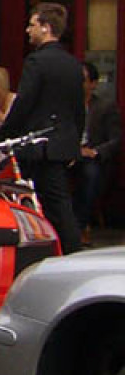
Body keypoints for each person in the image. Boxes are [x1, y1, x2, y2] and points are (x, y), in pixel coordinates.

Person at [0, 2, 85, 255]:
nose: (27, 30)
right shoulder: (72, 63)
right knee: (56, 201)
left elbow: (24, 103)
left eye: (32, 24)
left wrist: (3, 137)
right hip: (62, 143)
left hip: (39, 146)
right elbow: (78, 109)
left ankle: (68, 251)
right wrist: (74, 142)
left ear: (46, 28)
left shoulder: (36, 62)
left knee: (49, 204)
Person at [72, 61, 121, 245]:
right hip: (69, 153)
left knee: (90, 174)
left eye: (82, 80)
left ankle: (80, 226)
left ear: (93, 84)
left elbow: (115, 140)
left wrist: (95, 152)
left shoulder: (105, 107)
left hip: (91, 157)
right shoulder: (69, 106)